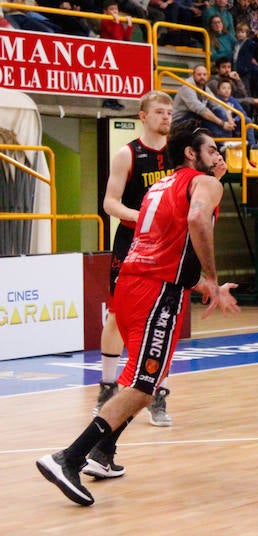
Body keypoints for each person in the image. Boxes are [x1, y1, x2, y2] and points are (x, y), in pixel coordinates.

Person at [36, 123, 241, 506]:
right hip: (157, 292)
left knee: (146, 378)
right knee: (145, 383)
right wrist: (212, 279)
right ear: (191, 154)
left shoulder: (158, 186)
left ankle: (103, 452)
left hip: (132, 282)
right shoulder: (204, 184)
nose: (220, 157)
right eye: (212, 150)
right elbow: (197, 221)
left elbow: (168, 247)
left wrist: (201, 285)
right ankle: (69, 457)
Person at [92, 91, 176, 444]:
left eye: (170, 112)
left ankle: (158, 394)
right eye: (159, 111)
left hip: (169, 245)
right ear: (143, 116)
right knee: (117, 316)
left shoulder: (178, 153)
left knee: (165, 319)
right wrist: (140, 217)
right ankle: (108, 385)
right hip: (132, 243)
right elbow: (109, 203)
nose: (166, 117)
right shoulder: (127, 153)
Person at [173, 65, 235, 136]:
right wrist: (222, 123)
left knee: (218, 110)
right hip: (179, 121)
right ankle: (221, 141)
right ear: (193, 75)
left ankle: (227, 140)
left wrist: (229, 117)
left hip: (195, 117)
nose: (202, 77)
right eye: (199, 74)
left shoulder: (205, 88)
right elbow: (200, 109)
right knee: (204, 115)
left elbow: (216, 103)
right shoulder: (187, 86)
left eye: (204, 74)